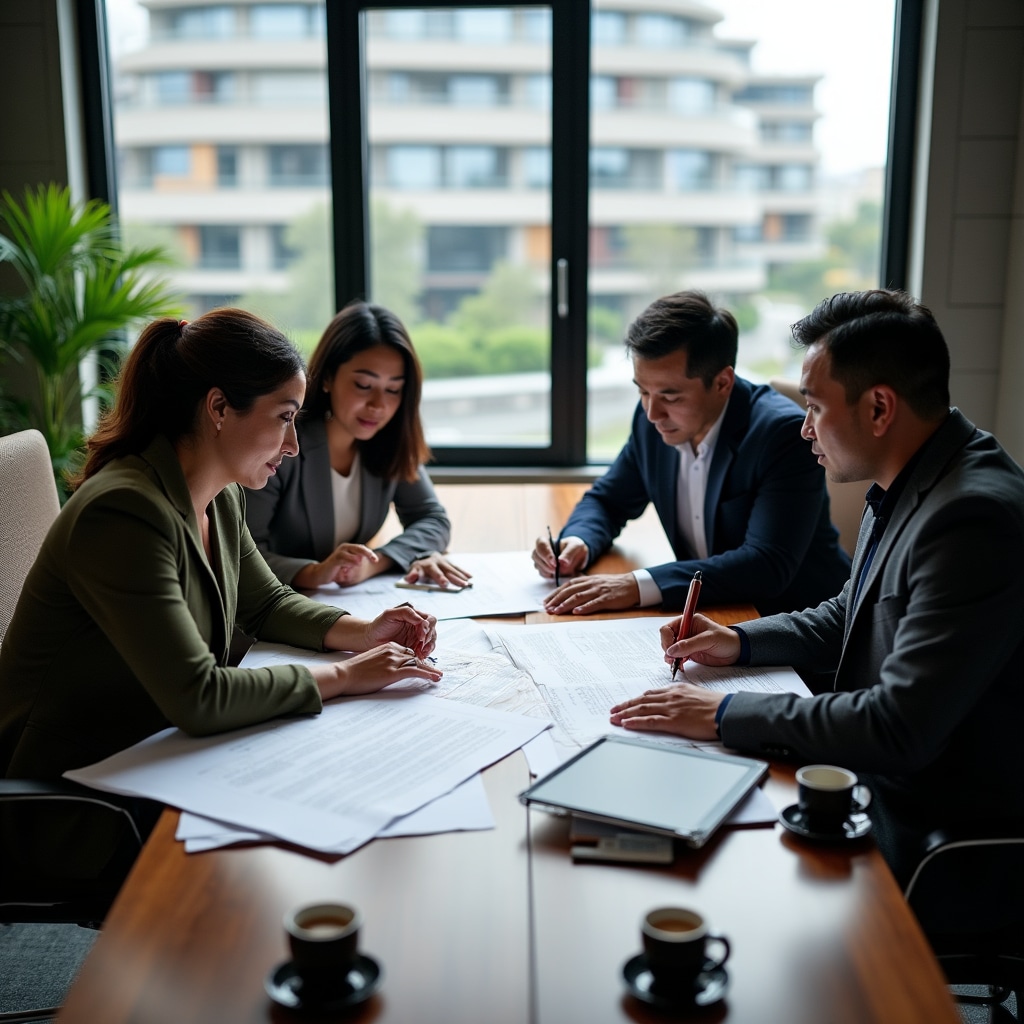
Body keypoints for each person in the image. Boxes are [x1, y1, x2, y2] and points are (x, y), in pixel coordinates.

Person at [0, 308, 442, 879]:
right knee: (292, 855)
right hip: (68, 793)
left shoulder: (219, 493)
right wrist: (347, 675)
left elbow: (266, 603)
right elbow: (199, 697)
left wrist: (363, 632)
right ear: (217, 409)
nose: (293, 446)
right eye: (284, 418)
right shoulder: (124, 511)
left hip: (153, 751)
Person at [609, 289, 1024, 885]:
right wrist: (736, 641)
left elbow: (894, 728)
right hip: (881, 777)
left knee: (717, 866)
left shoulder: (970, 519)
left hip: (935, 823)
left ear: (879, 409)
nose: (804, 430)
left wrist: (723, 712)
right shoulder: (918, 474)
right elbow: (849, 612)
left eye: (815, 407)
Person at [533, 290, 850, 615]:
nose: (652, 412)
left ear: (723, 382)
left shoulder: (781, 434)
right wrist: (579, 543)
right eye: (643, 391)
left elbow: (766, 565)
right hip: (710, 615)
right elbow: (608, 500)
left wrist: (635, 585)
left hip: (801, 627)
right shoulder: (652, 422)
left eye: (671, 397)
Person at [245, 301, 469, 590]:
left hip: (347, 603)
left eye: (393, 390)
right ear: (327, 378)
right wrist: (315, 573)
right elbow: (241, 552)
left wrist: (376, 562)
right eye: (364, 385)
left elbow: (433, 520)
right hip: (275, 605)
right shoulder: (283, 444)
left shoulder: (389, 442)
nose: (378, 405)